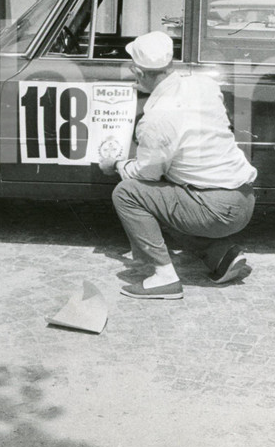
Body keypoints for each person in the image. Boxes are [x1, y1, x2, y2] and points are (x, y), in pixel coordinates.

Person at [99, 31, 258, 300]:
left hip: (215, 209)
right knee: (168, 193)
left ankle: (164, 277)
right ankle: (219, 256)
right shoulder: (204, 84)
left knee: (129, 193)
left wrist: (116, 164)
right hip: (245, 199)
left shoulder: (157, 117)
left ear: (138, 72)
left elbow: (146, 175)